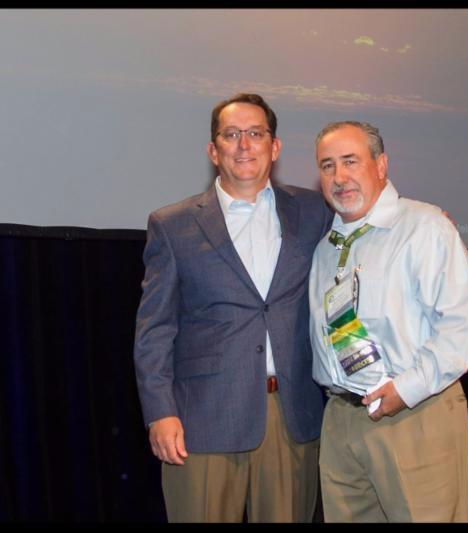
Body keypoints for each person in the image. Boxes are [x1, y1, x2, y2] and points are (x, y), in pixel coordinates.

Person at [133, 93, 333, 522]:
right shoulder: (173, 225)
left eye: (256, 134)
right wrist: (160, 412)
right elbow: (155, 329)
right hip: (202, 421)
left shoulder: (314, 210)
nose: (244, 145)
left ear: (274, 147)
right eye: (231, 135)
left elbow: (362, 223)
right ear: (213, 150)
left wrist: (416, 218)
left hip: (291, 417)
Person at [308, 121, 468, 522]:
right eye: (327, 165)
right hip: (341, 420)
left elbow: (466, 321)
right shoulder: (326, 248)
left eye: (350, 161)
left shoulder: (424, 227)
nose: (339, 177)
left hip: (414, 414)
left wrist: (407, 389)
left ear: (381, 165)